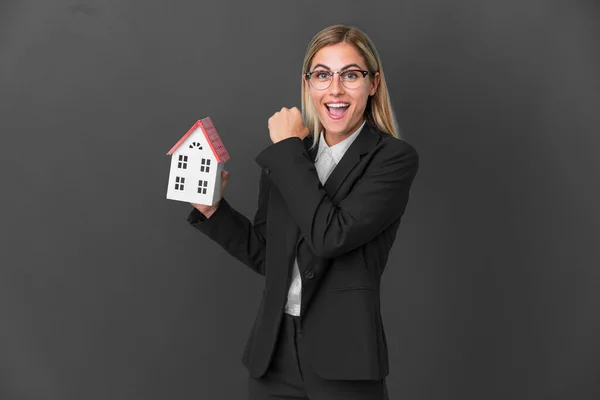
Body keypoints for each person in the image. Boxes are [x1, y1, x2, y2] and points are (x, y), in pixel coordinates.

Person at [187, 24, 419, 400]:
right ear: (309, 84)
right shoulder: (293, 155)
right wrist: (214, 211)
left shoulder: (391, 159)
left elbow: (332, 236)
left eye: (352, 75)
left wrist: (288, 150)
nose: (336, 89)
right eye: (323, 74)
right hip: (273, 356)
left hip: (345, 360)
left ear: (373, 84)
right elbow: (268, 255)